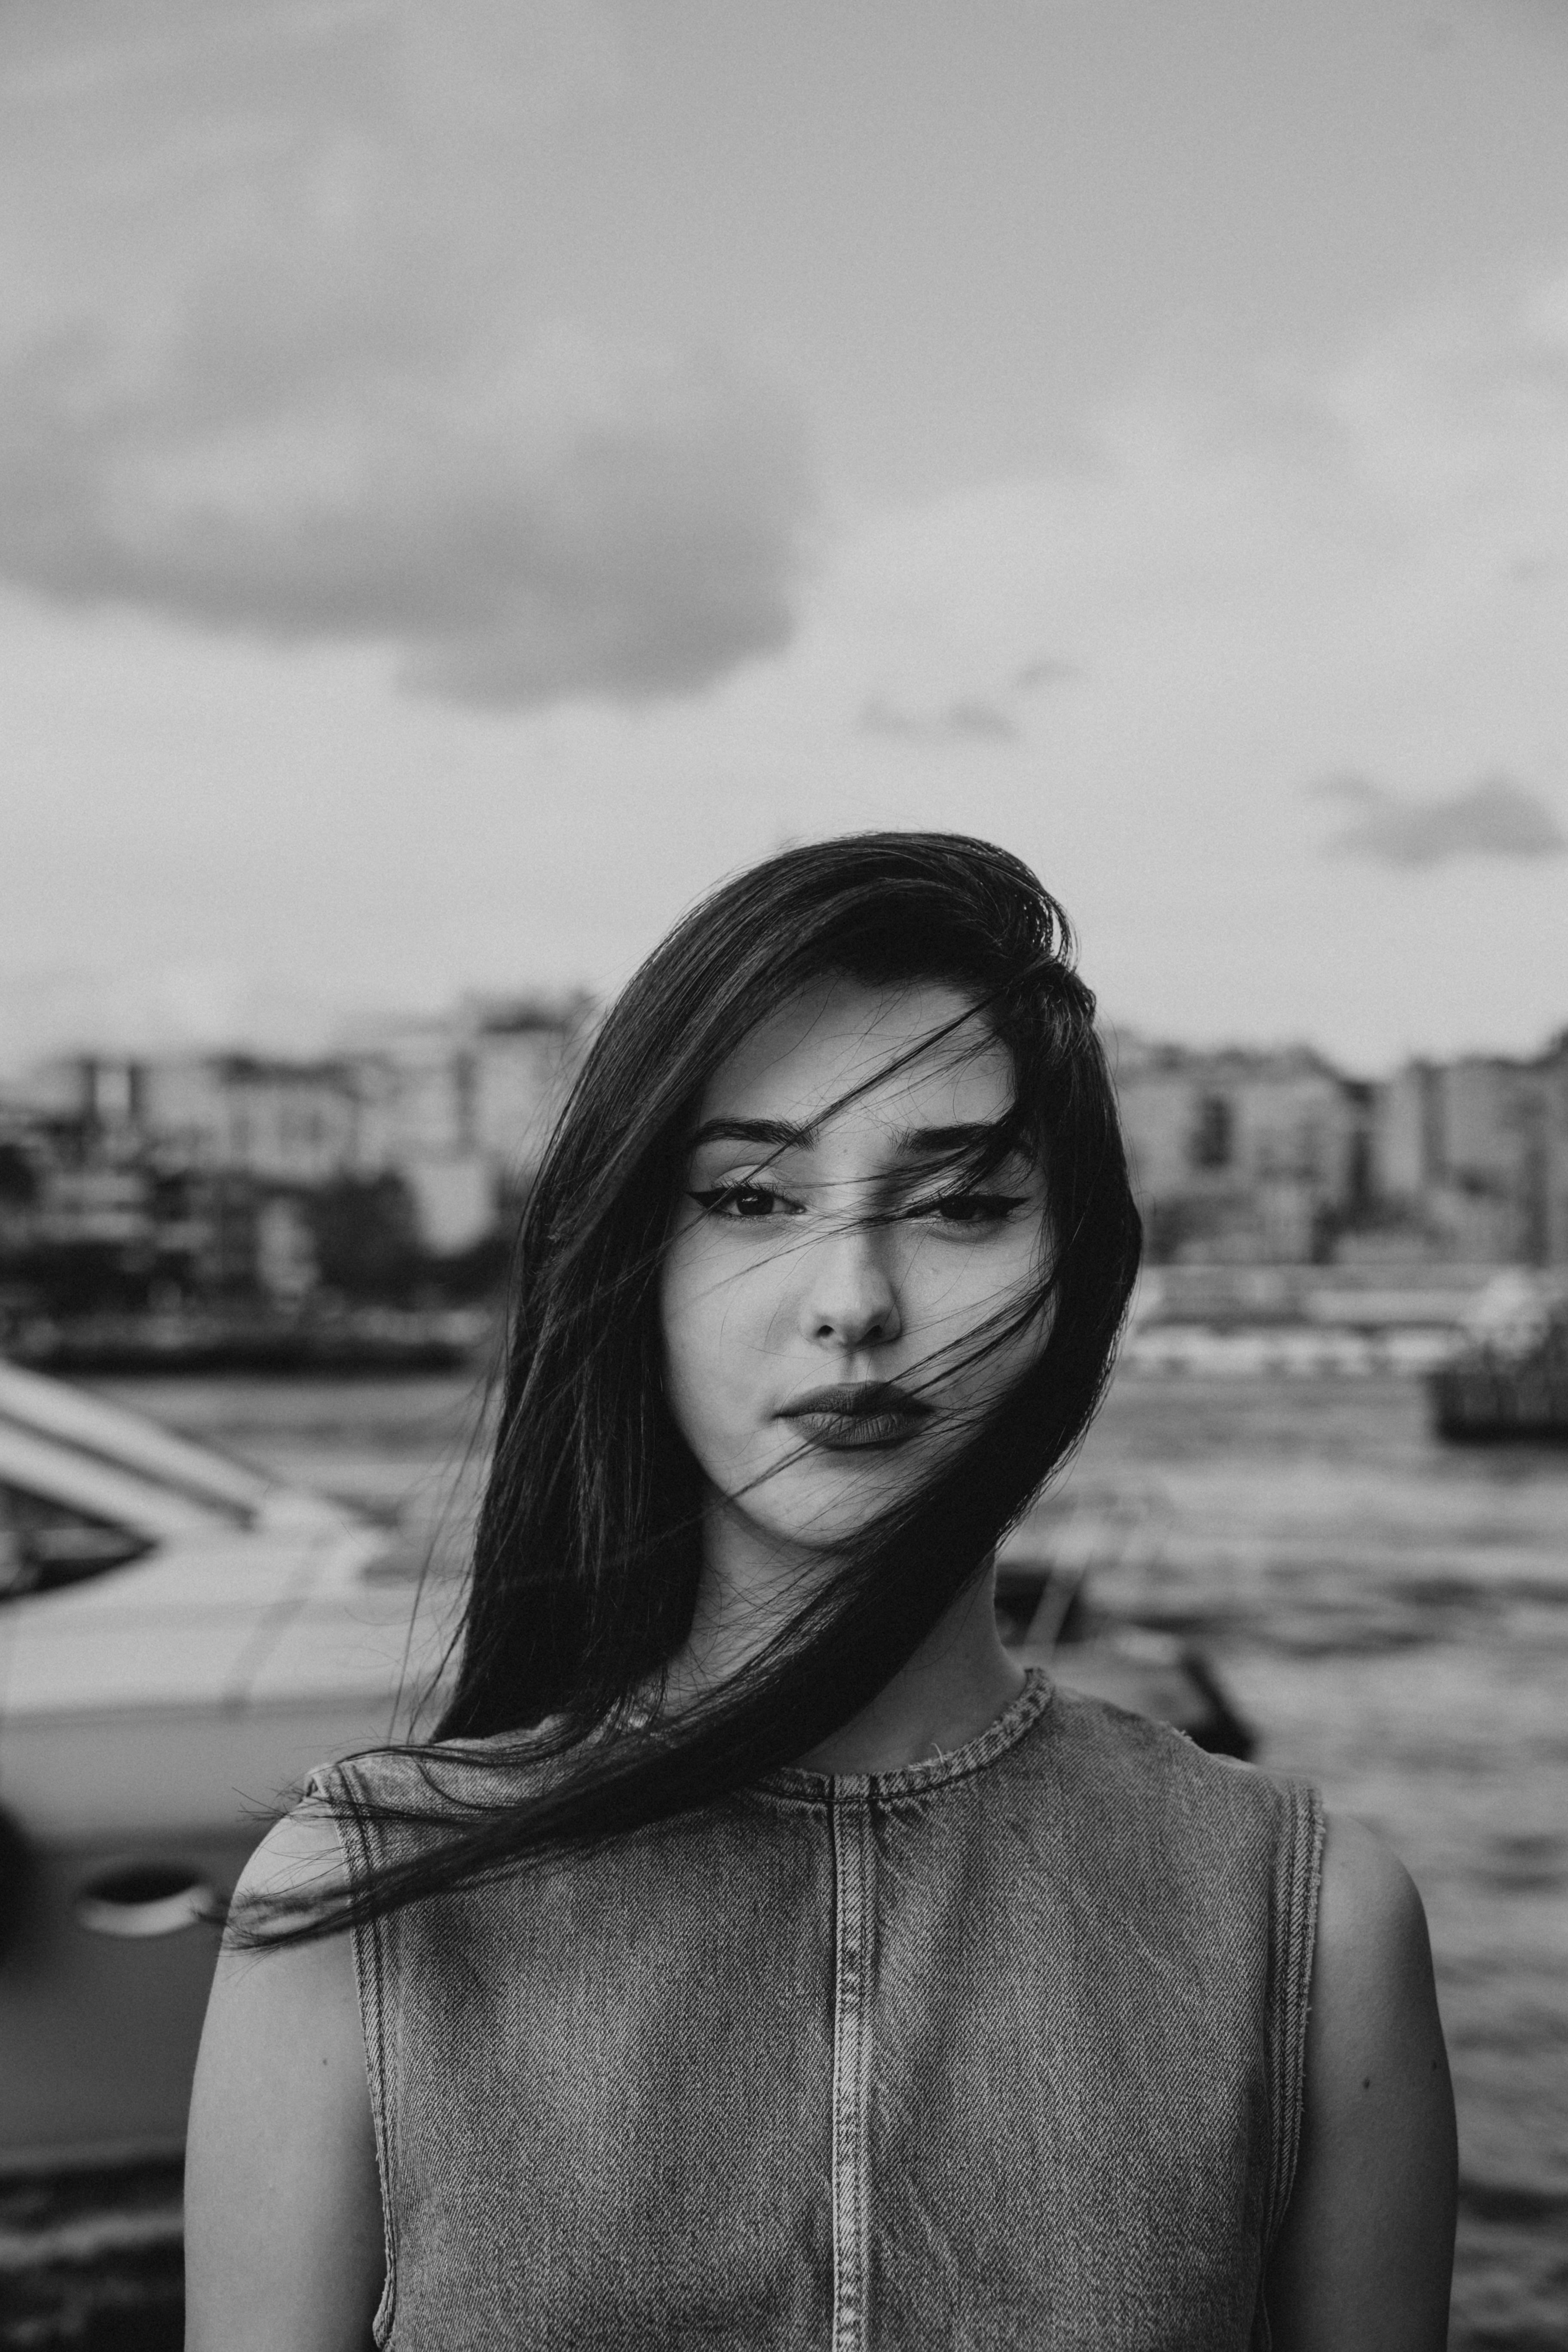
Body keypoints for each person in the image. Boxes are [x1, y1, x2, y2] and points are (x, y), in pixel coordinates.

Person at [185, 833, 1456, 2351]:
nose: (855, 1299)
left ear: (1080, 1275)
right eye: (753, 1200)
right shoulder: (362, 1905)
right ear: (634, 1267)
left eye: (963, 1202)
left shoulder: (1308, 1928)